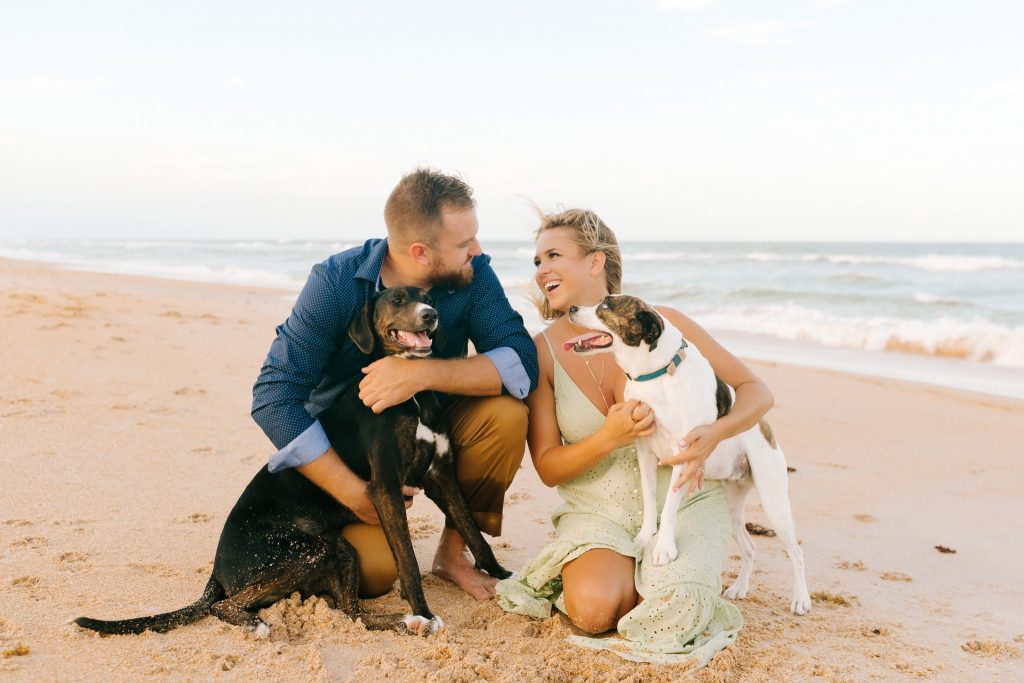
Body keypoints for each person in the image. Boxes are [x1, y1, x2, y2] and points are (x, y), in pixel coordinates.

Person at [496, 208, 774, 666]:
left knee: (678, 611)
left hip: (686, 499)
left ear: (595, 261)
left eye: (554, 255)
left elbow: (757, 393)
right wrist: (609, 436)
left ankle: (663, 576)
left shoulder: (664, 324)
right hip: (598, 508)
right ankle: (618, 570)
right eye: (537, 260)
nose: (542, 269)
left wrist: (714, 434)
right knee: (593, 609)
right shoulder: (541, 350)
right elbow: (547, 467)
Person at [251, 168, 538, 600]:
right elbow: (274, 396)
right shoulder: (336, 282)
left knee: (506, 416)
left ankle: (453, 554)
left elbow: (521, 361)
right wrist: (353, 491)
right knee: (372, 575)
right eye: (465, 243)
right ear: (420, 252)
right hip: (351, 455)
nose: (478, 251)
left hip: (431, 423)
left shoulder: (473, 273)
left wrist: (420, 372)